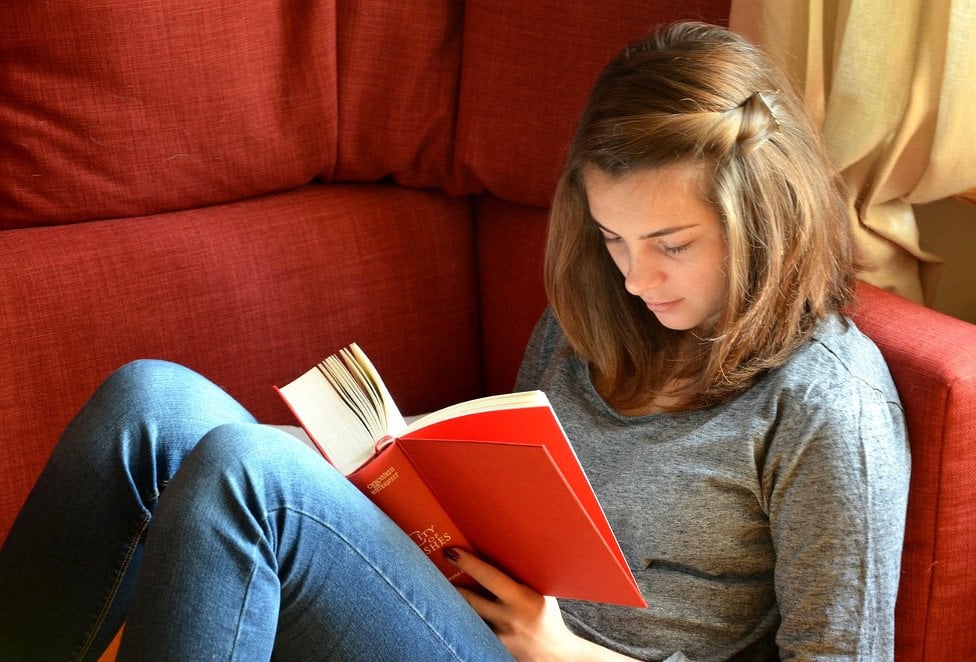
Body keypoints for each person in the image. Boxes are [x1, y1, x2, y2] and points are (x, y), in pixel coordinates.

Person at [0, 21, 909, 661]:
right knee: (150, 403)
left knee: (245, 474)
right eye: (612, 239)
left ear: (763, 217)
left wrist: (564, 652)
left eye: (670, 246)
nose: (635, 277)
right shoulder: (600, 313)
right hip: (456, 622)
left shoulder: (830, 404)